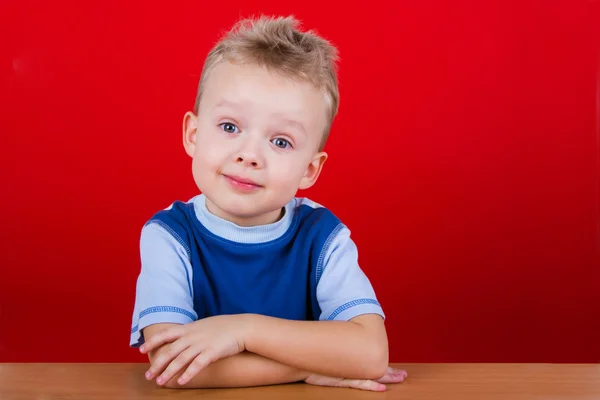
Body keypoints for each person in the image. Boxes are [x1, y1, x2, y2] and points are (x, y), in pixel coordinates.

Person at [129, 14, 407, 392]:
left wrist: (243, 331)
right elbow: (172, 367)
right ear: (193, 135)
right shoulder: (169, 235)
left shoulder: (323, 236)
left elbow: (371, 355)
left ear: (309, 170)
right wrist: (305, 369)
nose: (249, 155)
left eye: (280, 142)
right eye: (230, 127)